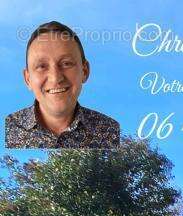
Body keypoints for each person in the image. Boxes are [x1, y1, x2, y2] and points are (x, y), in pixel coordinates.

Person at [5, 21, 119, 149]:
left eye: (66, 63)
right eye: (42, 66)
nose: (55, 78)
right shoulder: (7, 129)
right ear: (28, 79)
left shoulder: (111, 132)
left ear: (85, 71)